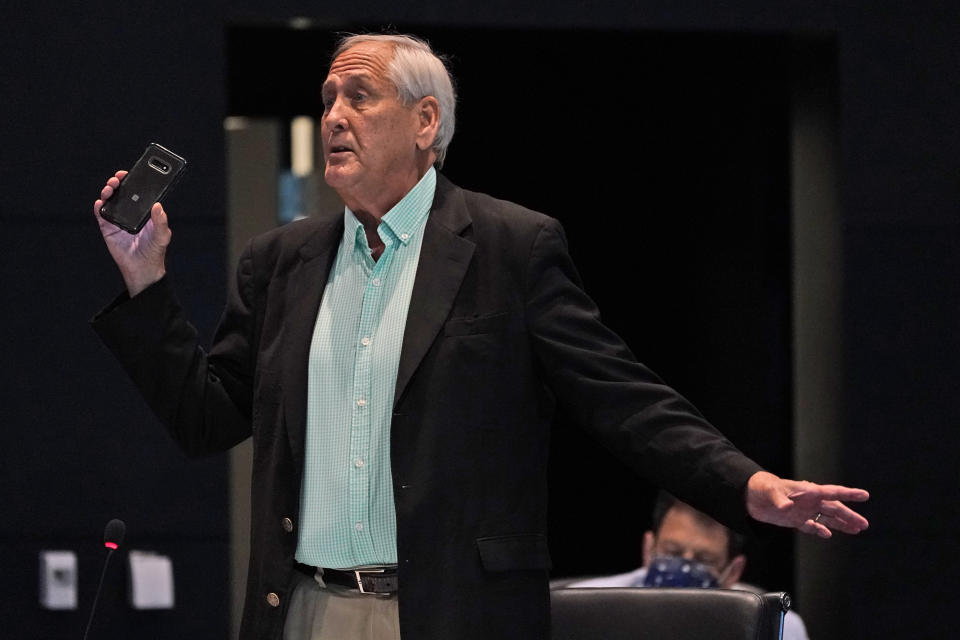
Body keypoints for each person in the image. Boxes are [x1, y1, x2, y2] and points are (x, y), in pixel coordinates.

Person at [90, 33, 869, 640]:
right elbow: (205, 419)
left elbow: (624, 399)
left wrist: (747, 485)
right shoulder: (280, 262)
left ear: (426, 120)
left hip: (449, 614)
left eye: (359, 97)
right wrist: (145, 284)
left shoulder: (511, 248)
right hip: (304, 611)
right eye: (327, 98)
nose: (333, 116)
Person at [568, 491, 809, 639]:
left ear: (733, 571)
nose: (684, 565)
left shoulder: (775, 626)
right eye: (672, 552)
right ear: (648, 548)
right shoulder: (584, 607)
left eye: (704, 560)